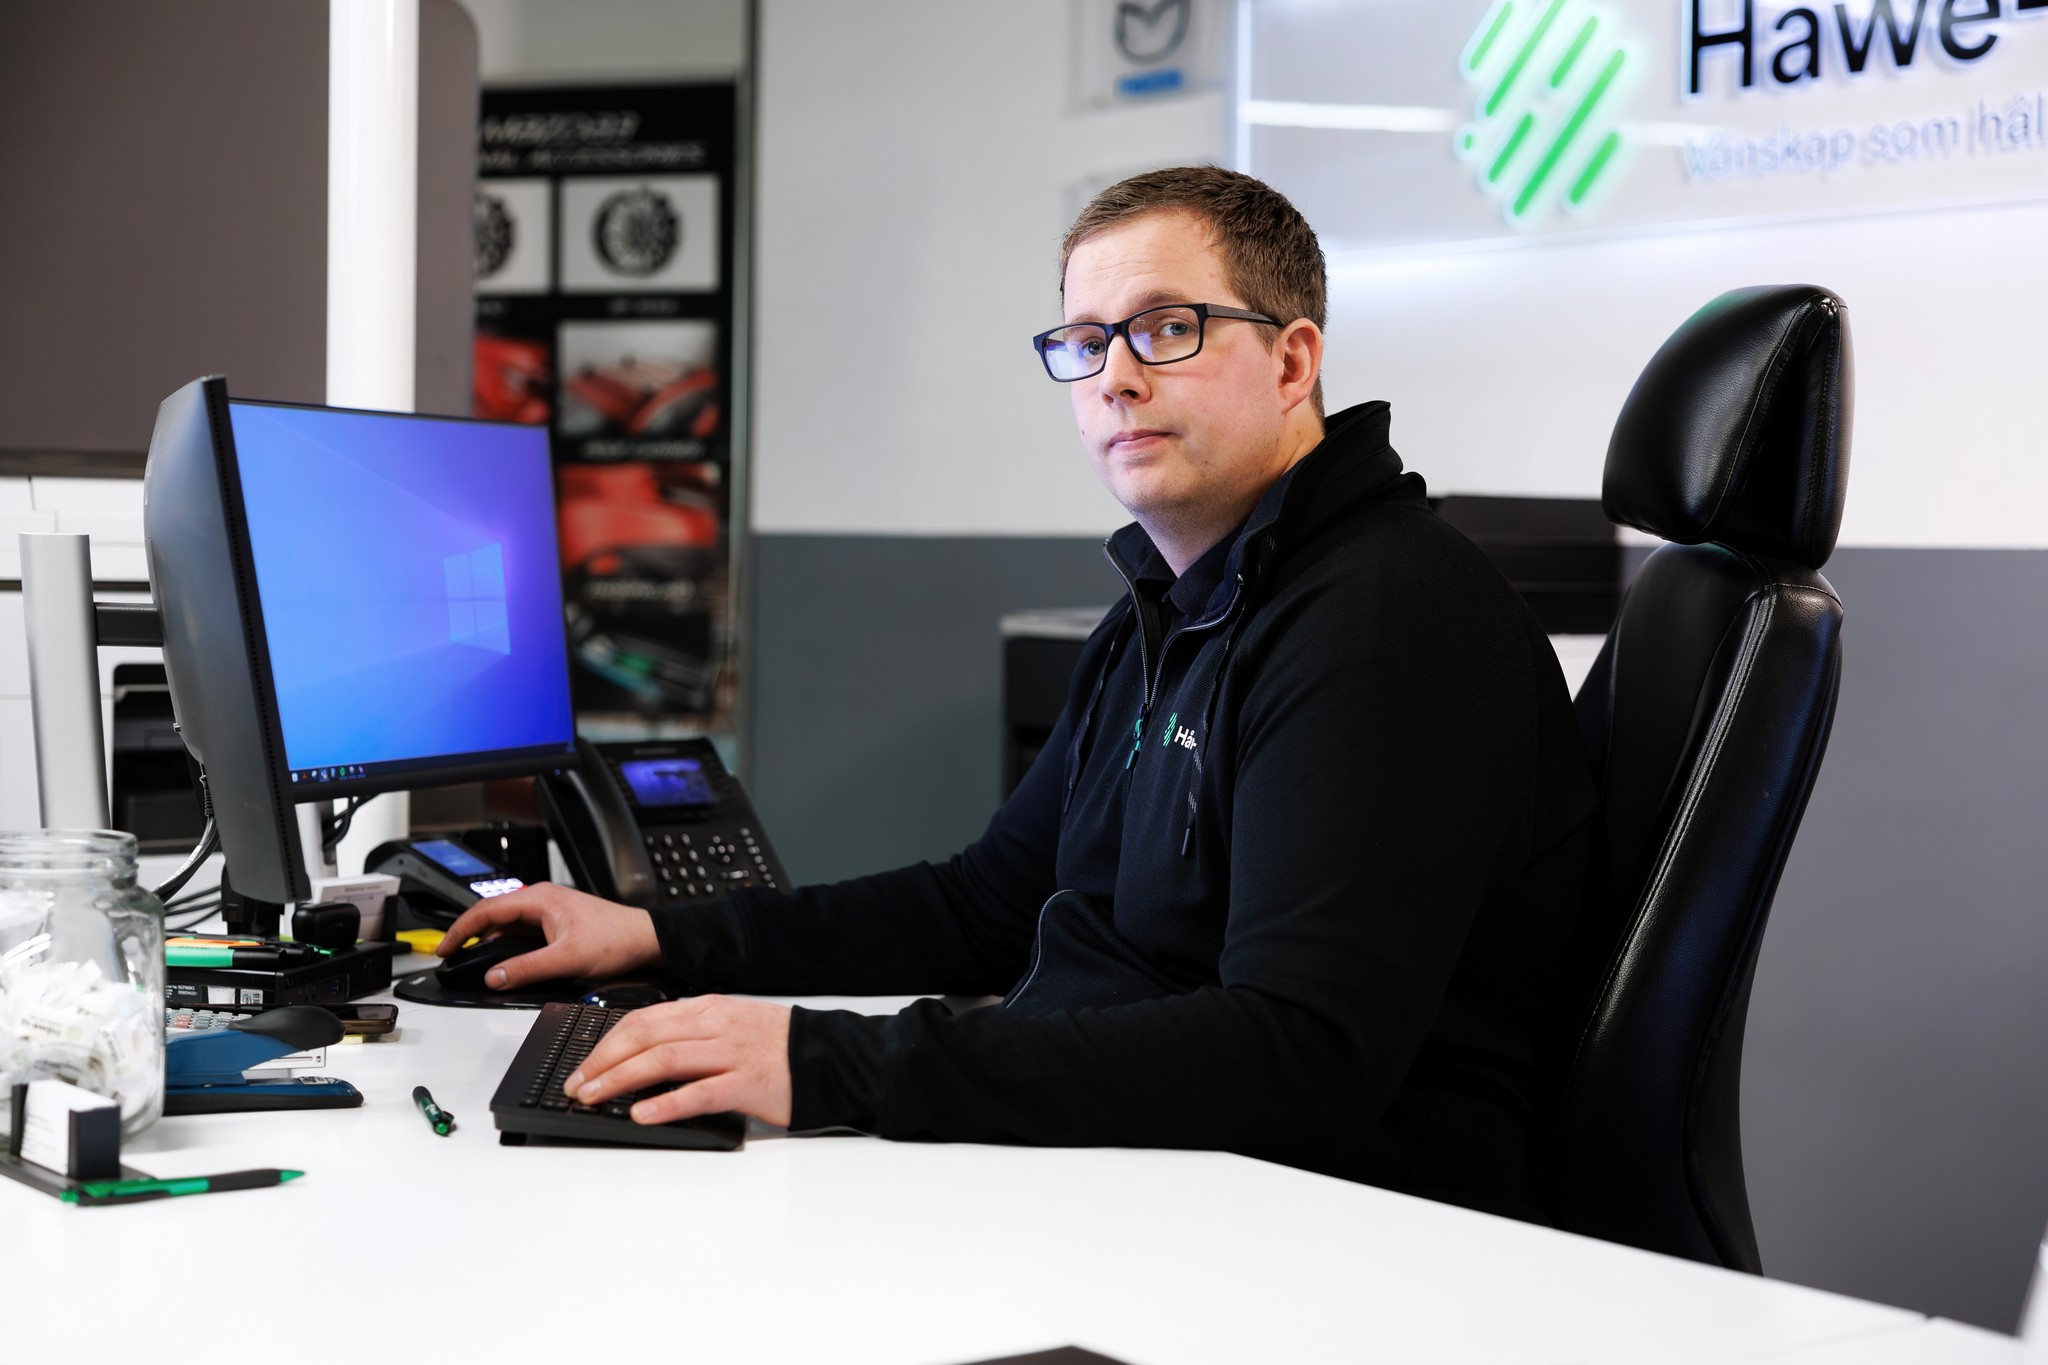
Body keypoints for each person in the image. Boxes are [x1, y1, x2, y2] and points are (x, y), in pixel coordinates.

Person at [439, 166, 1599, 1220]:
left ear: (1292, 363)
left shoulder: (1383, 618)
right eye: (1085, 342)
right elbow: (988, 905)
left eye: (1166, 329)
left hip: (1339, 1230)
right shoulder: (1170, 606)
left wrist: (821, 1062)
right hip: (1161, 1172)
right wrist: (657, 935)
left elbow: (1297, 1056)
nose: (1116, 378)